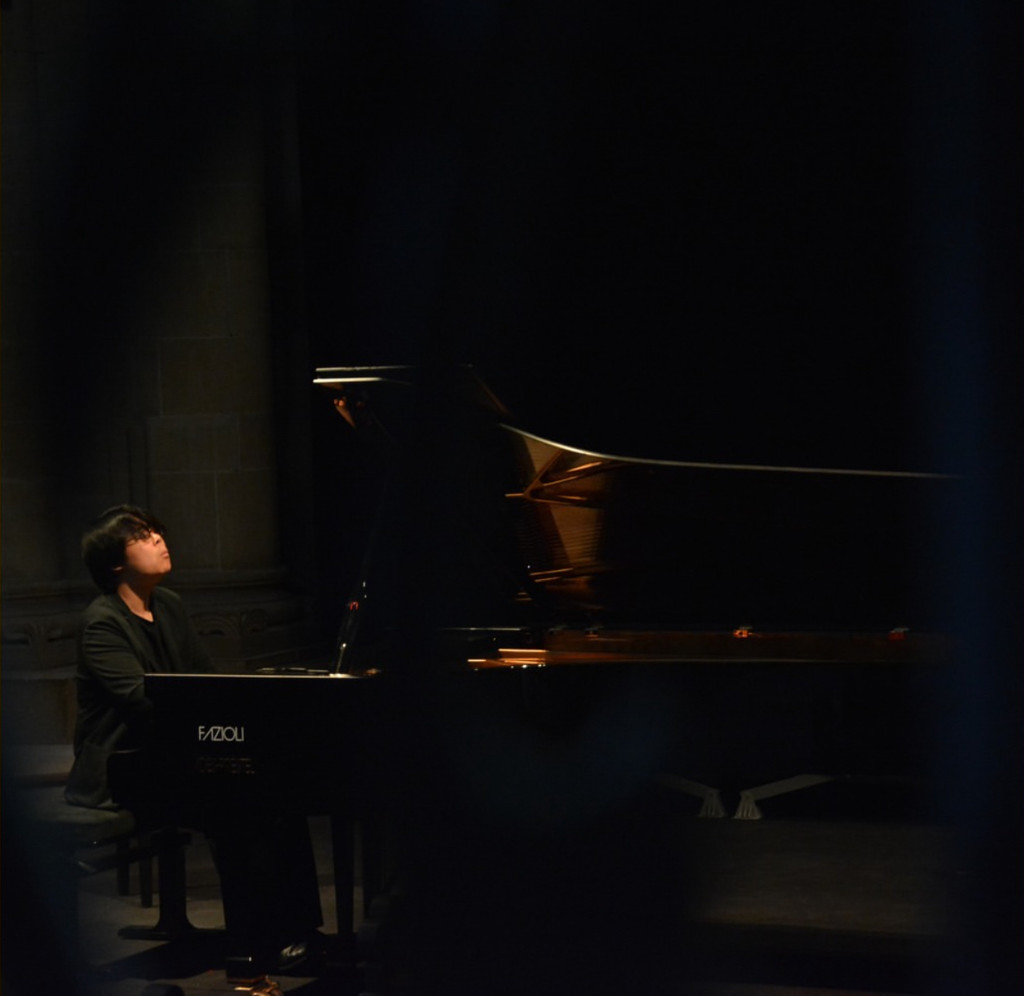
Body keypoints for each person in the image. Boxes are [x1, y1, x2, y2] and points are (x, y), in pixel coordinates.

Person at [66, 504, 324, 976]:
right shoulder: (102, 622)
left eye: (157, 531)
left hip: (172, 754)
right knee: (239, 805)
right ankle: (254, 944)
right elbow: (139, 702)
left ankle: (299, 931)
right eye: (142, 536)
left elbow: (204, 682)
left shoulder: (168, 605)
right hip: (121, 767)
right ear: (115, 563)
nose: (158, 540)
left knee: (276, 791)